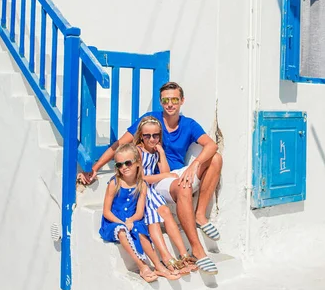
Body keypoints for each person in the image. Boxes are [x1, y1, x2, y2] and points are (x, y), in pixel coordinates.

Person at [81, 81, 223, 274]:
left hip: (179, 172)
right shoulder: (151, 122)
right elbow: (120, 144)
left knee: (215, 158)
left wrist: (194, 166)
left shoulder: (188, 124)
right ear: (160, 101)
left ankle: (200, 215)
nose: (170, 104)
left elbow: (211, 145)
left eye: (174, 99)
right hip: (163, 180)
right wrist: (96, 167)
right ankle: (196, 250)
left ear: (182, 101)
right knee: (182, 187)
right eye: (166, 100)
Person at [98, 143, 180, 282]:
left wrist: (131, 220)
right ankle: (142, 266)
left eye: (128, 163)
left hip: (133, 219)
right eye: (119, 165)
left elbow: (140, 212)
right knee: (122, 231)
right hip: (113, 222)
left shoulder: (141, 184)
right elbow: (106, 212)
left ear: (137, 163)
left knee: (141, 231)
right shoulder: (115, 183)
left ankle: (158, 265)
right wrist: (122, 222)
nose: (124, 167)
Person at [133, 116, 199, 275]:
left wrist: (161, 153)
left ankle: (183, 255)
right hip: (141, 190)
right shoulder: (139, 152)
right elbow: (139, 178)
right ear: (141, 136)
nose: (151, 139)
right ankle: (167, 258)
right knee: (154, 221)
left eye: (155, 135)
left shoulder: (156, 150)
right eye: (147, 136)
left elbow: (165, 171)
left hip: (152, 189)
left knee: (166, 212)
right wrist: (165, 177)